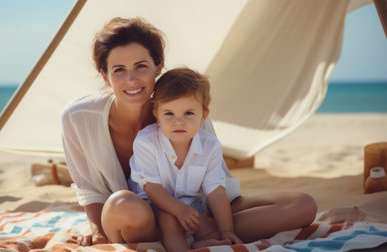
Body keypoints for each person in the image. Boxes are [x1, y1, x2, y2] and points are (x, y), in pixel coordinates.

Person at [61, 16, 317, 247]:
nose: (132, 79)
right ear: (105, 76)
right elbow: (89, 189)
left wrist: (217, 221)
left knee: (302, 205)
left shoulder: (184, 110)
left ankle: (202, 233)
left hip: (199, 210)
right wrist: (97, 230)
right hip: (141, 216)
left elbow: (215, 182)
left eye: (141, 66)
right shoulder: (78, 118)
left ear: (158, 65)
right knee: (121, 205)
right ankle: (187, 233)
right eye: (118, 70)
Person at [130, 68, 242, 251]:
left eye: (189, 113)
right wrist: (178, 210)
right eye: (169, 114)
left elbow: (216, 192)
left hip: (190, 208)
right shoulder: (146, 142)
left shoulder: (210, 145)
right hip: (153, 208)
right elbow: (151, 187)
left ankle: (204, 242)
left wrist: (226, 230)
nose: (179, 121)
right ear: (157, 115)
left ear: (203, 116)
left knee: (205, 222)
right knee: (169, 217)